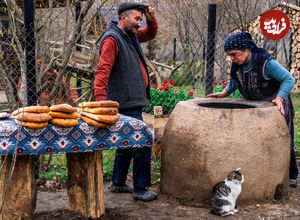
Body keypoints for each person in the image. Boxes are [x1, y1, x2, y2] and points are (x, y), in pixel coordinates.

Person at [206, 32, 298, 188]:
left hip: (275, 103)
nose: (232, 58)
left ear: (246, 48)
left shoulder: (265, 62)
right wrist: (225, 92)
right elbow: (236, 80)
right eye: (229, 55)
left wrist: (281, 98)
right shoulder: (238, 64)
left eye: (234, 54)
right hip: (255, 105)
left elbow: (289, 78)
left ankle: (290, 175)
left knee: (283, 140)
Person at [94, 2, 158, 201]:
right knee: (142, 140)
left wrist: (150, 18)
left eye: (141, 19)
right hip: (124, 102)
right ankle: (140, 188)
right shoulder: (112, 39)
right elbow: (102, 72)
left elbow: (151, 34)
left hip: (132, 100)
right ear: (124, 17)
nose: (139, 23)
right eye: (137, 19)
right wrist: (100, 104)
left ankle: (118, 182)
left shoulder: (130, 36)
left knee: (128, 143)